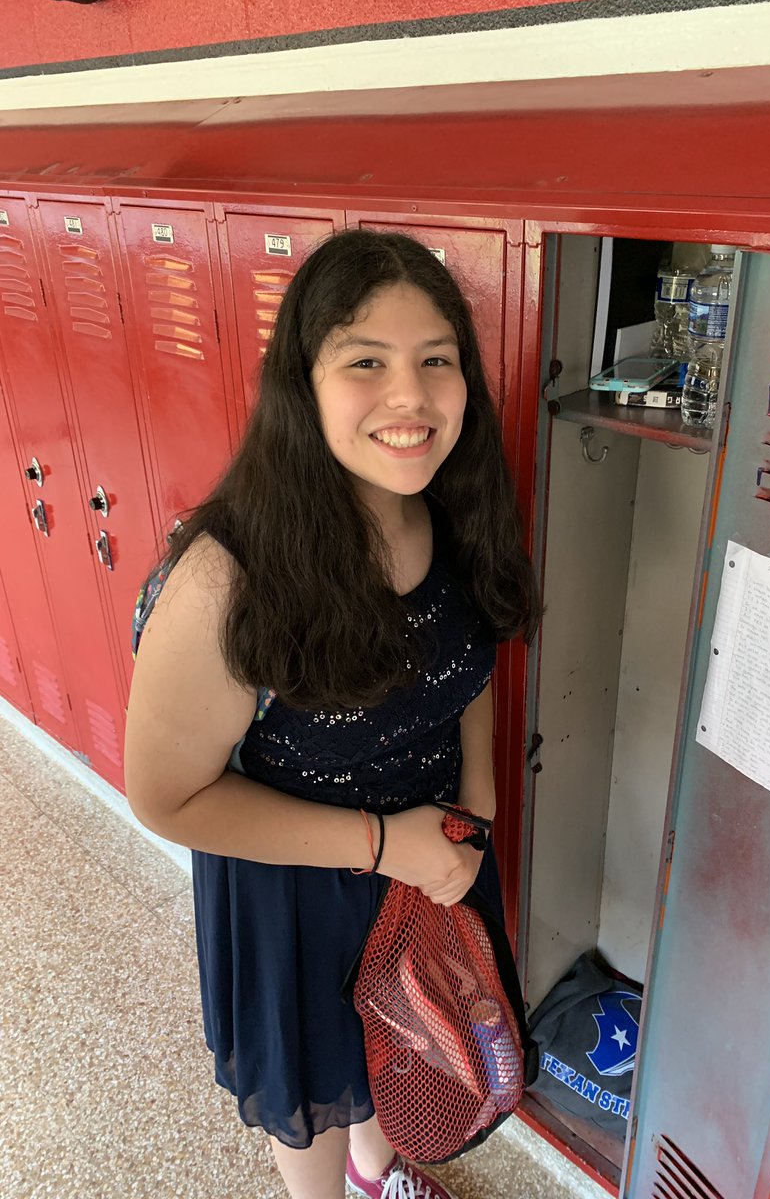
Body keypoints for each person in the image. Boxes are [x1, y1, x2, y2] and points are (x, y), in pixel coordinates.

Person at [124, 228, 540, 1199]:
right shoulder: (228, 580)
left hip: (434, 852)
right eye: (366, 362)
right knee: (314, 1083)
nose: (411, 397)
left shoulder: (450, 504)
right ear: (302, 385)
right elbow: (168, 798)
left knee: (394, 1055)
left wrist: (469, 814)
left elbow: (470, 663)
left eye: (436, 360)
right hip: (299, 881)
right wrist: (383, 845)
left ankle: (374, 1174)